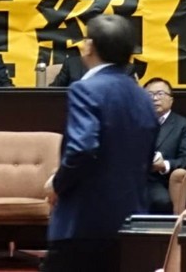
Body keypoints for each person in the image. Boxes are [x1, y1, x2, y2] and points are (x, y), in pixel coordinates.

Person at [43, 15, 159, 271]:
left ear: (89, 46)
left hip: (84, 222)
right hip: (132, 219)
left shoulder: (86, 89)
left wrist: (58, 184)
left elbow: (83, 148)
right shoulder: (143, 97)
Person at [143, 78, 186, 214]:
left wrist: (164, 165)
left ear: (171, 100)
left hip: (157, 181)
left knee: (161, 201)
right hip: (129, 177)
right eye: (149, 94)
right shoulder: (133, 121)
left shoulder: (183, 125)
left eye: (160, 94)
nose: (155, 98)